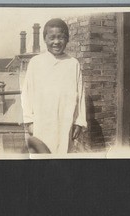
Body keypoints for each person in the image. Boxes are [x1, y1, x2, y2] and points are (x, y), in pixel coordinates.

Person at [21, 18, 87, 154]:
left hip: (65, 121)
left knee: (63, 154)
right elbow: (26, 94)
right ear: (45, 39)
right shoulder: (36, 63)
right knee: (42, 158)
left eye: (61, 38)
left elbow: (80, 95)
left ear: (67, 39)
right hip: (41, 122)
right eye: (52, 38)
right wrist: (29, 121)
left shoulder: (73, 64)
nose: (56, 42)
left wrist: (79, 122)